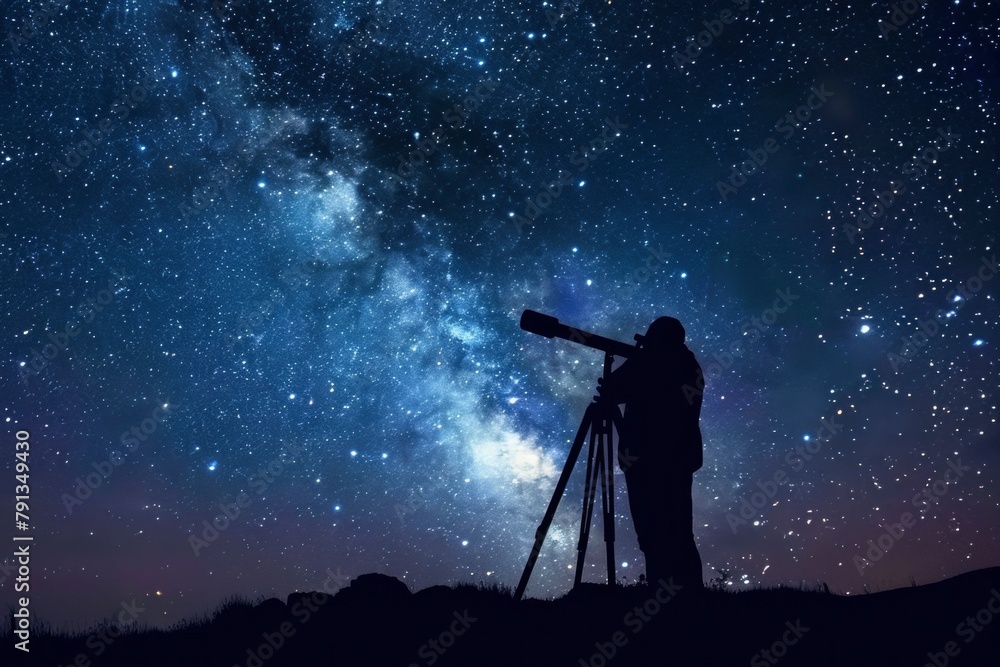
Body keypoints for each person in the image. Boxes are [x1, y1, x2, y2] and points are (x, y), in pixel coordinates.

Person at [598, 316, 704, 589]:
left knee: (655, 531)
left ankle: (667, 594)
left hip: (650, 460)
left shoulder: (657, 364)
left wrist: (639, 359)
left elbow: (615, 386)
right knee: (676, 531)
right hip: (673, 460)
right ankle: (682, 594)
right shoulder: (686, 365)